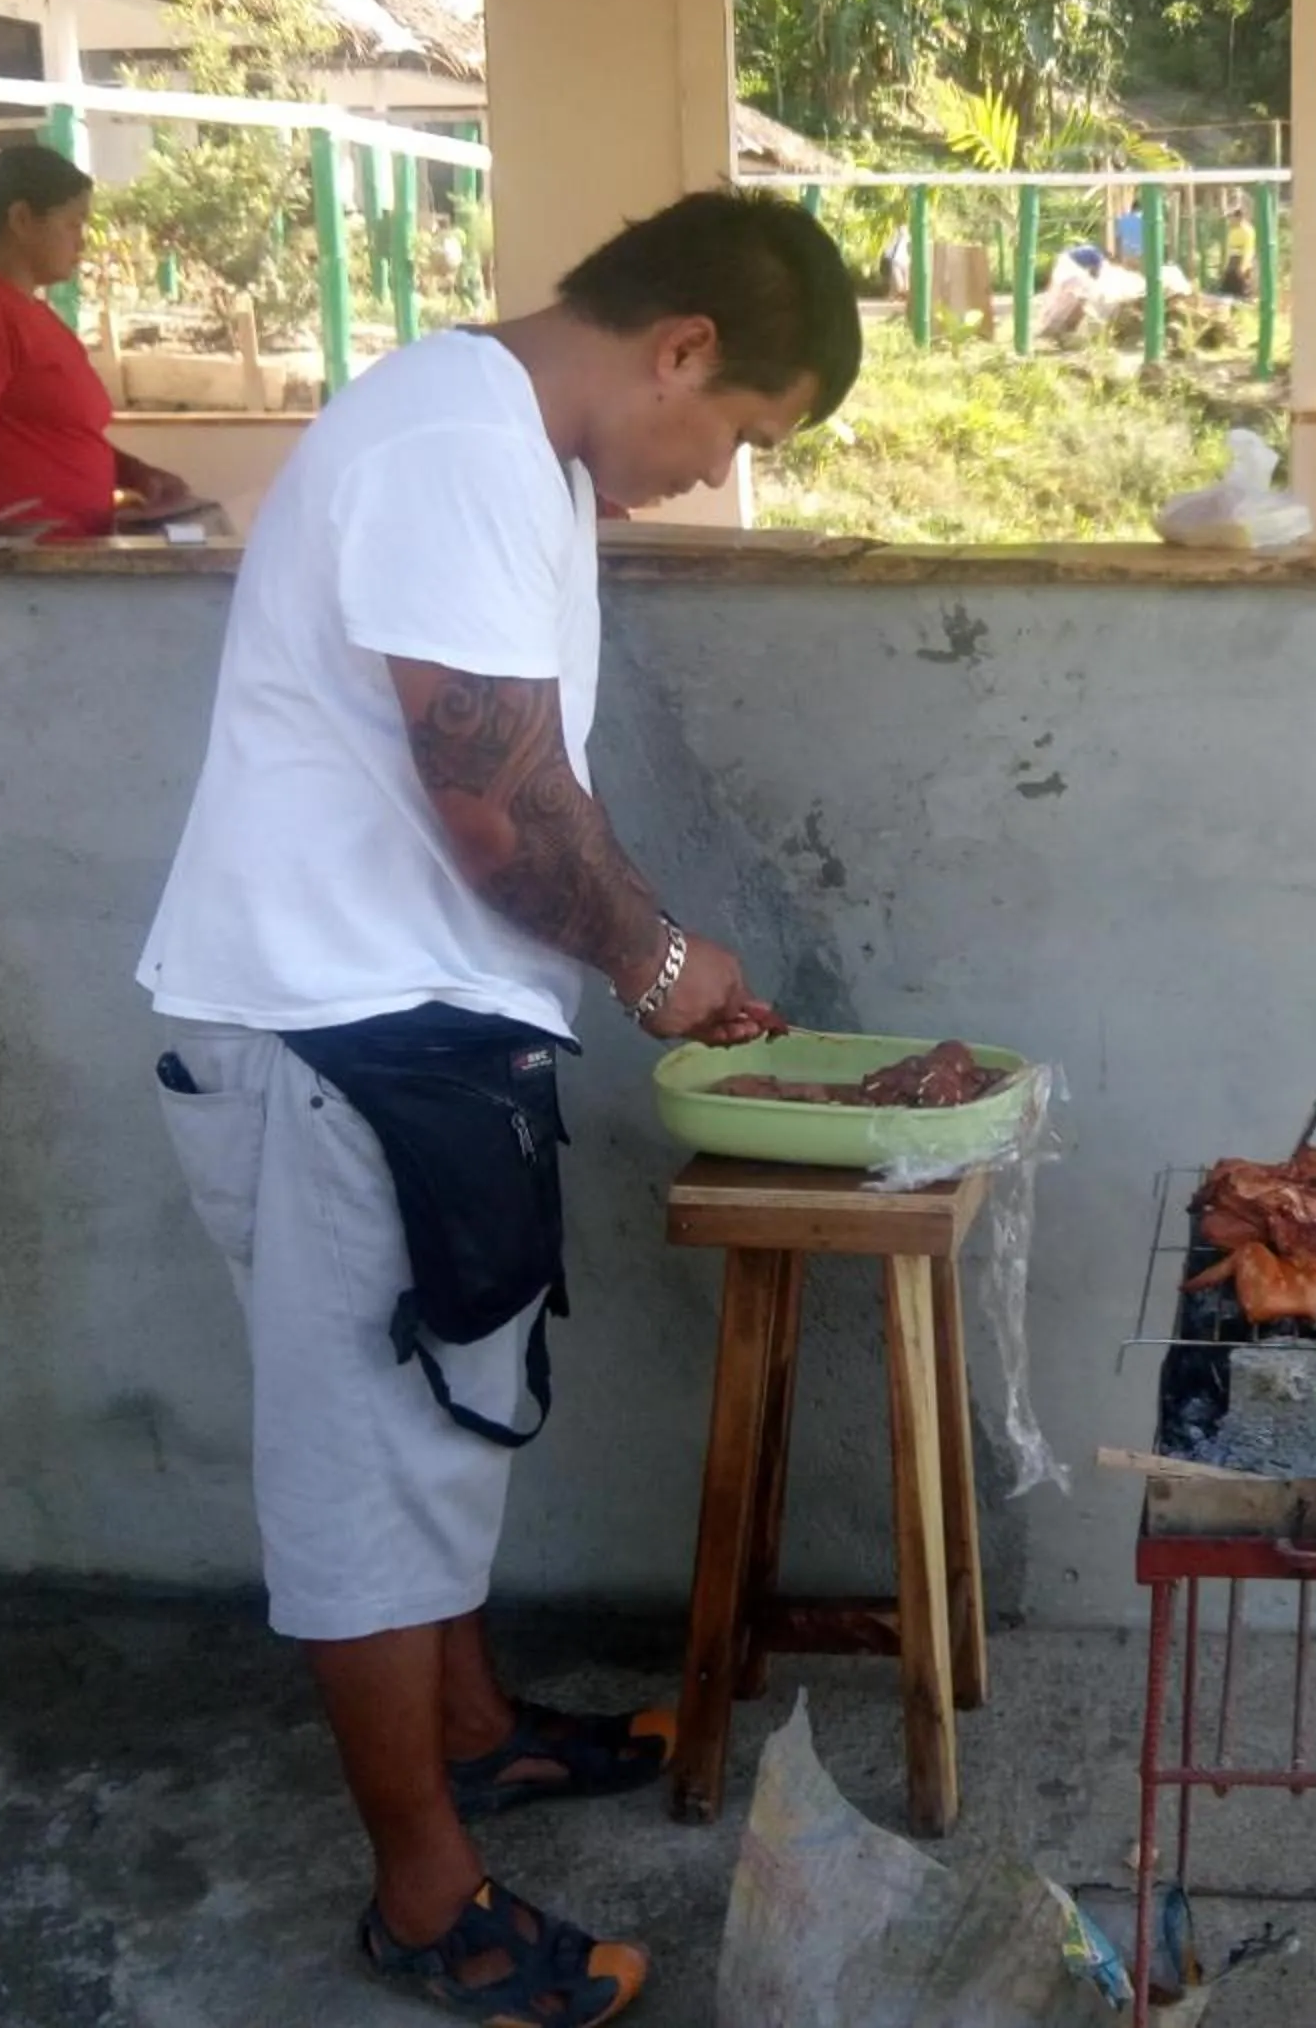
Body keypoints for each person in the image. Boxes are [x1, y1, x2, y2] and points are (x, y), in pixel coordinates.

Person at [139, 190, 861, 2027]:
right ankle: (423, 1895)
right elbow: (502, 808)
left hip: (412, 1023)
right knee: (371, 1472)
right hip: (332, 1036)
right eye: (738, 436)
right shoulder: (455, 446)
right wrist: (660, 965)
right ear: (681, 348)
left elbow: (522, 784)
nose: (716, 475)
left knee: (445, 1412)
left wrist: (635, 958)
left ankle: (472, 1731)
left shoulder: (514, 454)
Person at [0, 143, 191, 539]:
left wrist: (134, 473)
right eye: (73, 223)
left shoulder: (24, 308)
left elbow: (50, 432)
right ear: (22, 219)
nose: (83, 241)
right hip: (15, 566)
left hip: (70, 551)